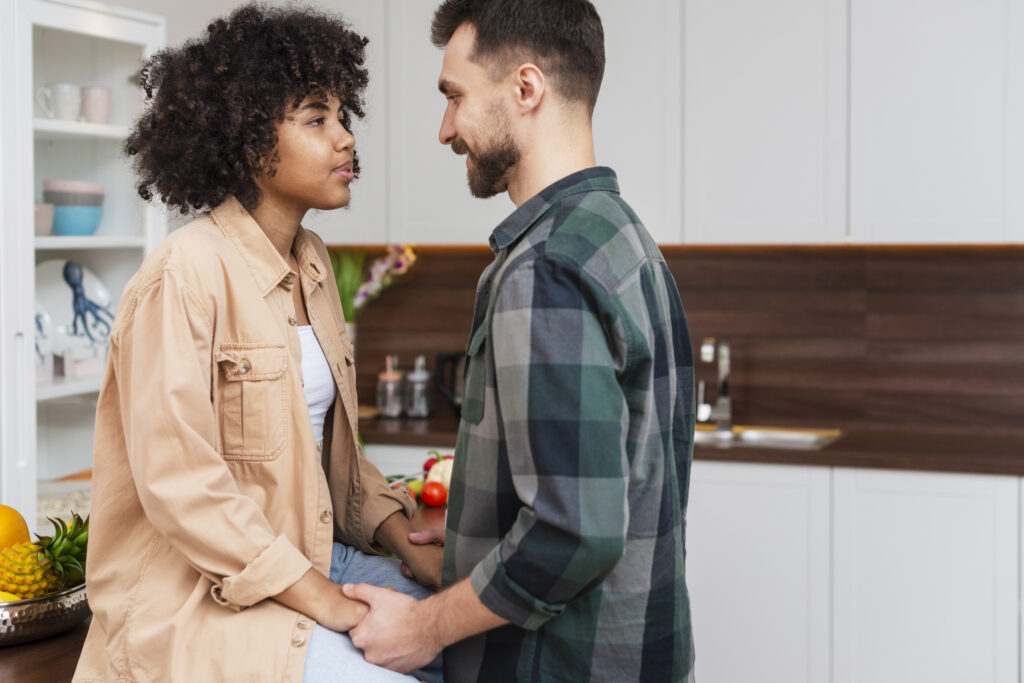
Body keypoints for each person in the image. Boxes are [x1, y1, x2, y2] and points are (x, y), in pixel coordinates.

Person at [72, 5, 442, 682]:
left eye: (343, 116)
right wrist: (330, 603)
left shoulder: (313, 262)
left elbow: (335, 462)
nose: (346, 139)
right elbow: (184, 488)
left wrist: (408, 540)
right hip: (197, 600)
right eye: (316, 119)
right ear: (248, 141)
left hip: (310, 559)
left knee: (477, 642)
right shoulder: (183, 273)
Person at [342, 1, 696, 681]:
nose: (446, 130)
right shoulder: (622, 235)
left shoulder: (545, 267)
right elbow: (607, 484)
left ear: (526, 88)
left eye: (454, 97)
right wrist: (479, 537)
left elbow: (573, 532)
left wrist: (424, 625)